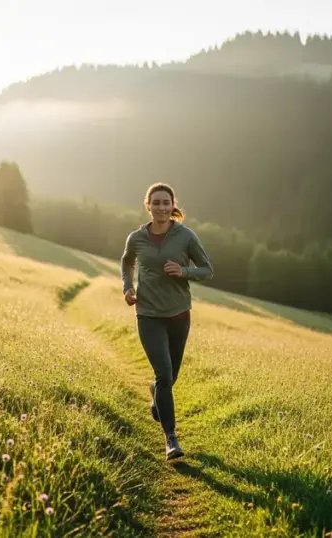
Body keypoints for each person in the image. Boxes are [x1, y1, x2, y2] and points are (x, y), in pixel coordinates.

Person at [120, 182, 213, 460]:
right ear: (147, 205)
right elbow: (127, 263)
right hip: (148, 314)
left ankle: (155, 391)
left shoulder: (185, 236)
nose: (161, 208)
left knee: (170, 377)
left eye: (166, 203)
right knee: (163, 374)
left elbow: (207, 270)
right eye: (156, 203)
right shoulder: (136, 238)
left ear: (173, 206)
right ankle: (171, 438)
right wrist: (127, 287)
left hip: (179, 314)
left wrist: (183, 270)